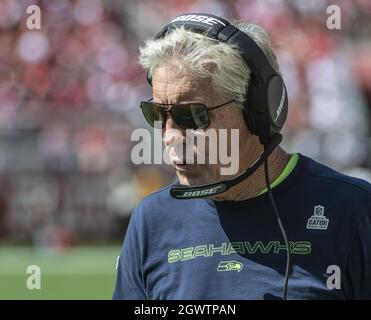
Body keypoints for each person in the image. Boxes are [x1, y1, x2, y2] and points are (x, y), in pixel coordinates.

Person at [113, 13, 371, 300]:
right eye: (158, 114)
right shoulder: (151, 220)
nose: (170, 135)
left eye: (192, 115)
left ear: (258, 111)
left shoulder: (354, 210)